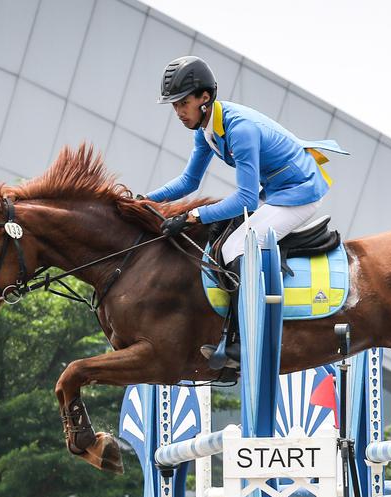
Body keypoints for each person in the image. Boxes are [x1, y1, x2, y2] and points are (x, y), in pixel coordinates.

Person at [139, 56, 346, 369]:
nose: (179, 112)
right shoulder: (205, 129)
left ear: (204, 98)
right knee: (222, 240)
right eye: (174, 105)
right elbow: (189, 181)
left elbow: (246, 199)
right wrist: (145, 201)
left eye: (183, 103)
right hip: (277, 190)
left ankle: (243, 342)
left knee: (237, 246)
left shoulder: (240, 131)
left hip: (300, 193)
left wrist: (194, 217)